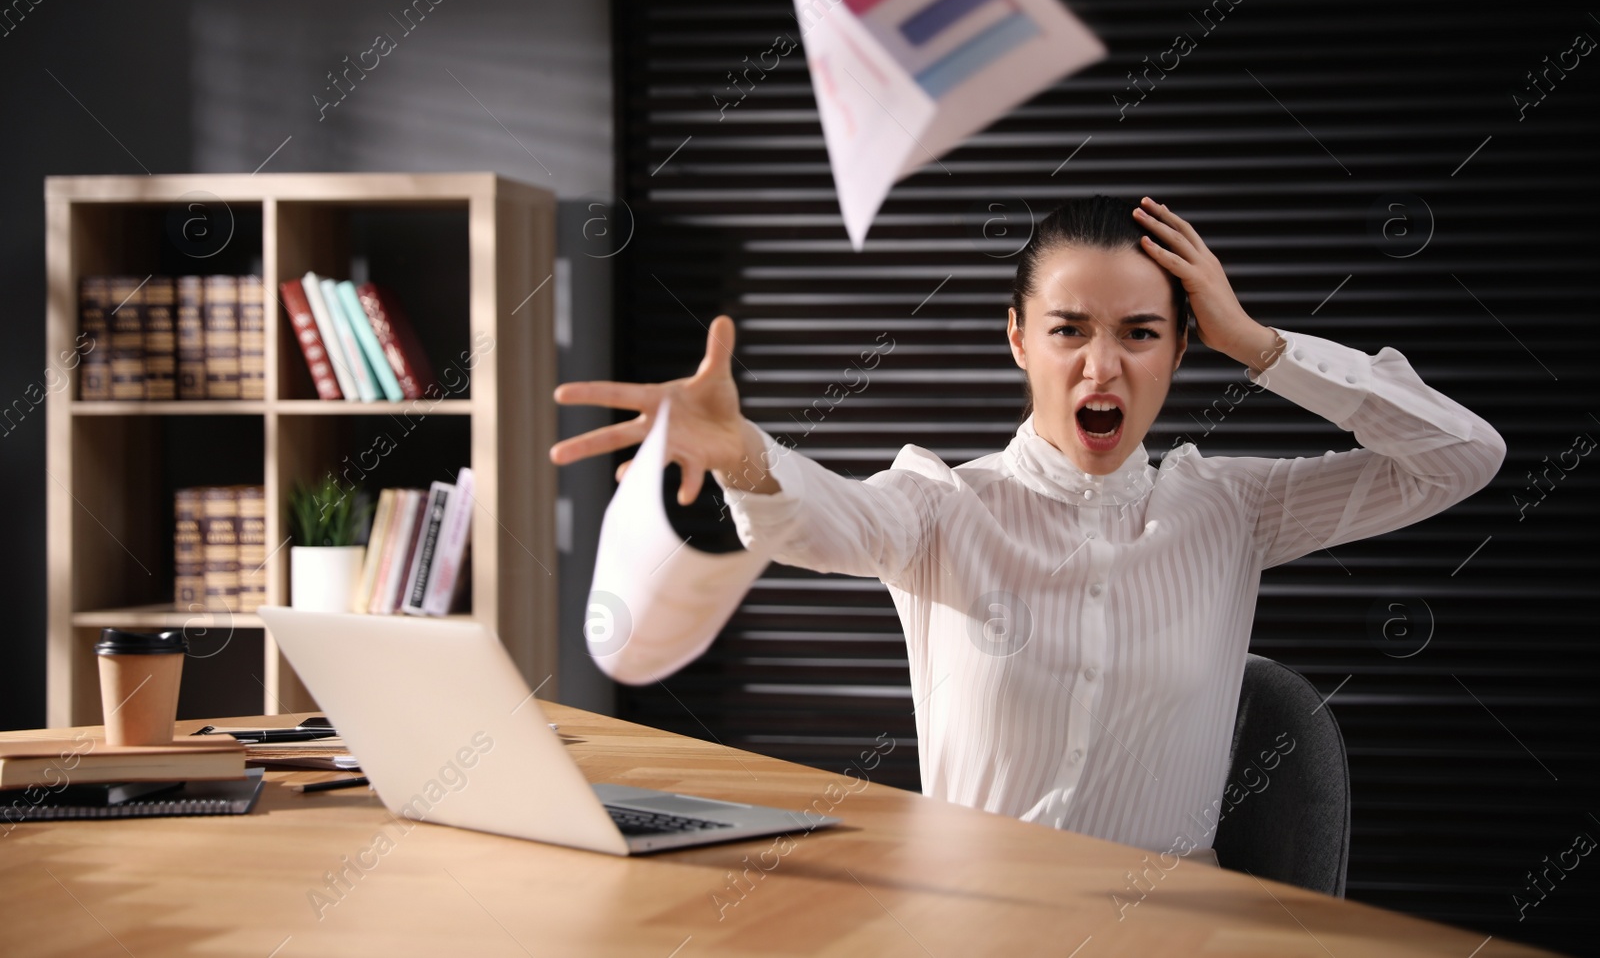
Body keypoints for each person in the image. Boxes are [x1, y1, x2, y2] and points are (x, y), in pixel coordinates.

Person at [549, 194, 1506, 865]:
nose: (1102, 367)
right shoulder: (940, 504)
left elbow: (1462, 455)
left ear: (1182, 345)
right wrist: (747, 454)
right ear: (1017, 338)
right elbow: (827, 523)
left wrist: (1261, 345)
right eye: (1068, 329)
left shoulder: (1234, 508)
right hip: (972, 921)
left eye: (1139, 332)